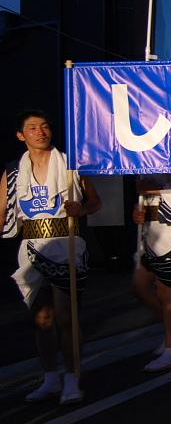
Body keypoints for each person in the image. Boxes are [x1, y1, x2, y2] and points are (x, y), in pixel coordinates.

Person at [0, 110, 101, 403]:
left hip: (67, 243)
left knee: (66, 316)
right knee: (42, 318)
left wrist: (80, 210)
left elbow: (95, 202)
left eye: (45, 126)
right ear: (21, 135)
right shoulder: (13, 171)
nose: (40, 132)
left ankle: (72, 377)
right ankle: (50, 378)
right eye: (32, 128)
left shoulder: (70, 165)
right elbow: (3, 214)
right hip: (32, 246)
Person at [131, 173, 171, 372]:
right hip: (150, 232)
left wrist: (149, 187)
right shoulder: (147, 159)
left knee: (165, 290)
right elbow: (145, 197)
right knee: (138, 286)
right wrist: (138, 211)